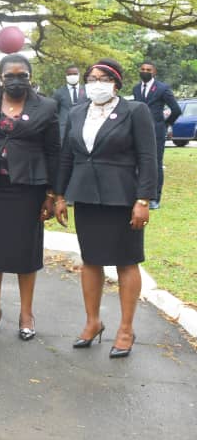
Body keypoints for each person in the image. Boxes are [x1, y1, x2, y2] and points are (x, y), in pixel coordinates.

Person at [57, 59, 157, 358]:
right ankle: (93, 321)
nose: (95, 83)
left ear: (116, 83)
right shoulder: (77, 112)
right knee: (91, 260)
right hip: (86, 196)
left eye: (103, 78)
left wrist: (143, 199)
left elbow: (148, 157)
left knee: (126, 262)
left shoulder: (135, 111)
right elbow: (66, 157)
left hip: (122, 197)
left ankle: (125, 329)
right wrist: (60, 195)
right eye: (91, 78)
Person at [0, 54, 60, 341]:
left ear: (30, 77)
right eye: (10, 75)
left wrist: (53, 194)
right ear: (0, 77)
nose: (16, 80)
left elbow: (54, 150)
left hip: (27, 188)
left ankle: (26, 313)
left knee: (24, 251)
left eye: (22, 75)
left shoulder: (46, 106)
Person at [132, 61, 181, 209]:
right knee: (136, 163)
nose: (145, 71)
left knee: (155, 164)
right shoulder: (136, 89)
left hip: (156, 132)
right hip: (137, 130)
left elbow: (176, 109)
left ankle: (154, 199)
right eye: (143, 69)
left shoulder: (162, 88)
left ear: (154, 72)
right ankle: (138, 195)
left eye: (148, 69)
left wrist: (165, 124)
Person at [51, 65, 86, 136]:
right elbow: (54, 110)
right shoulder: (59, 92)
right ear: (66, 76)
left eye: (75, 74)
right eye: (69, 74)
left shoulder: (87, 91)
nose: (72, 76)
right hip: (63, 128)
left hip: (83, 126)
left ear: (79, 75)